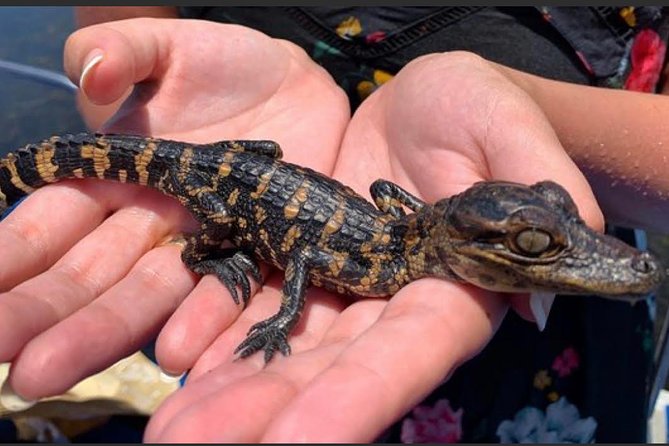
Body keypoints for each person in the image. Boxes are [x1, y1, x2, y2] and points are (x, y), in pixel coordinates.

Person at [0, 6, 667, 442]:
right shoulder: (388, 254)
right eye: (532, 240)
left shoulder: (411, 236)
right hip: (225, 171)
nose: (613, 260)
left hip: (542, 371)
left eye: (535, 237)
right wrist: (276, 314)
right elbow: (309, 259)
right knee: (224, 231)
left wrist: (519, 98)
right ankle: (202, 255)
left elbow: (372, 197)